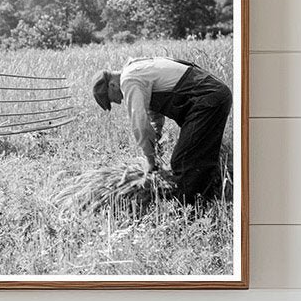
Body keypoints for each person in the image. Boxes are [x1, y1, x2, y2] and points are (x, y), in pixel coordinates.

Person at [92, 57, 232, 203]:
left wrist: (150, 160)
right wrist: (156, 146)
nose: (119, 101)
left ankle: (187, 209)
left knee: (183, 160)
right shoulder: (138, 68)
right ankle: (207, 200)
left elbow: (140, 123)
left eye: (113, 99)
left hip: (207, 99)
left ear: (112, 85)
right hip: (213, 95)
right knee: (200, 154)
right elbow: (154, 119)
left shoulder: (129, 79)